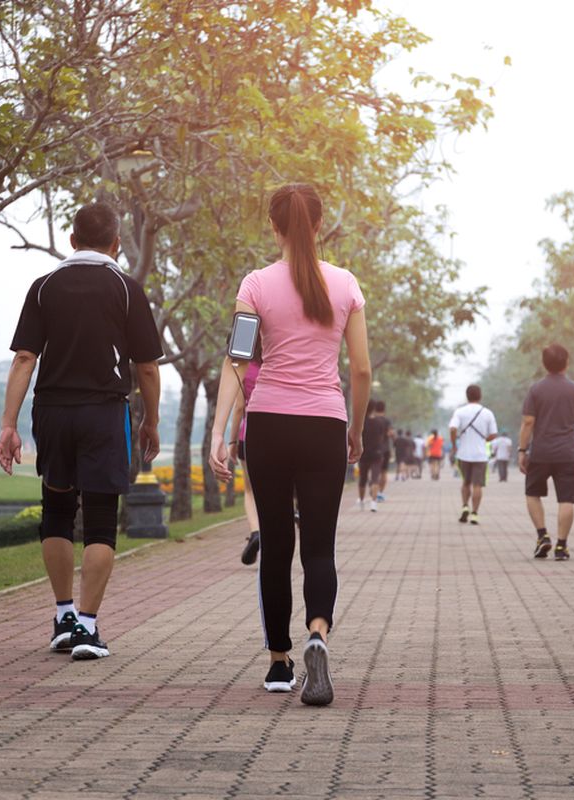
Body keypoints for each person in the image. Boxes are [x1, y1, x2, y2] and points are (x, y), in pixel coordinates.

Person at [209, 183, 370, 707]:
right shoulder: (345, 284)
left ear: (274, 227)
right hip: (325, 422)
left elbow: (238, 360)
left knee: (277, 547)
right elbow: (362, 370)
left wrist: (218, 431)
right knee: (321, 545)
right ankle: (317, 634)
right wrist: (356, 429)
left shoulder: (256, 284)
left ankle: (279, 665)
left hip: (270, 425)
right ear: (319, 225)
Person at [0, 203, 162, 663]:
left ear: (71, 241)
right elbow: (145, 366)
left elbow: (24, 359)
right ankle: (88, 627)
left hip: (52, 412)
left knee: (57, 510)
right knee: (101, 519)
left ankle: (63, 615)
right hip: (104, 414)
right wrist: (151, 419)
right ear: (116, 244)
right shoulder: (126, 289)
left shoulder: (44, 287)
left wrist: (8, 424)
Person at [518, 344, 574, 561]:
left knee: (532, 494)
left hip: (540, 453)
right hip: (568, 454)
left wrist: (522, 450)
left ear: (544, 364)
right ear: (566, 362)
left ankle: (542, 536)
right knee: (566, 499)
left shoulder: (536, 390)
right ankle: (562, 545)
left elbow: (528, 421)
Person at [449, 385, 498, 524]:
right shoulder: (487, 413)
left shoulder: (460, 412)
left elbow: (453, 428)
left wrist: (454, 444)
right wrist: (484, 440)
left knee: (465, 482)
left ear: (467, 396)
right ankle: (475, 513)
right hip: (480, 455)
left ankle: (465, 506)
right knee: (478, 485)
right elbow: (494, 433)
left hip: (463, 453)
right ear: (480, 396)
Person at [230, 359, 263, 561]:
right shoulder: (279, 361)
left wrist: (232, 441)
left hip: (248, 435)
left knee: (250, 490)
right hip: (277, 433)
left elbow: (239, 407)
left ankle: (255, 532)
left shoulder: (245, 367)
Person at [356, 400, 389, 511]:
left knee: (363, 479)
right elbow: (382, 437)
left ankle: (361, 501)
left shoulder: (361, 422)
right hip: (377, 453)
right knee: (375, 478)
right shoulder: (379, 422)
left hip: (364, 453)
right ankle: (373, 503)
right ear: (374, 409)